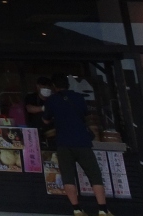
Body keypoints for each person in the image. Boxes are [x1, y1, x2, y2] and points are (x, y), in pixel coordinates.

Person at [42, 75, 111, 216]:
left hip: (64, 143)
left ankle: (77, 209)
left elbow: (45, 120)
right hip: (82, 142)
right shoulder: (79, 97)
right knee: (95, 176)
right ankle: (103, 209)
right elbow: (85, 114)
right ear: (68, 84)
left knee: (68, 177)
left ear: (54, 86)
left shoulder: (52, 100)